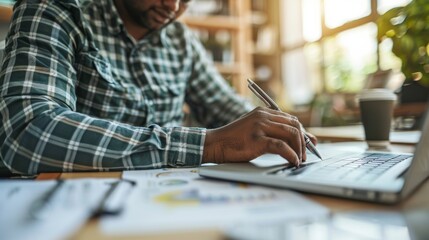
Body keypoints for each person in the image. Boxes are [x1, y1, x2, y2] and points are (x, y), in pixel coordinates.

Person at [0, 0, 316, 176]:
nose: (173, 5)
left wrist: (274, 127)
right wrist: (209, 145)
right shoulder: (57, 9)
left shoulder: (181, 42)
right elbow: (27, 131)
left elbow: (228, 108)